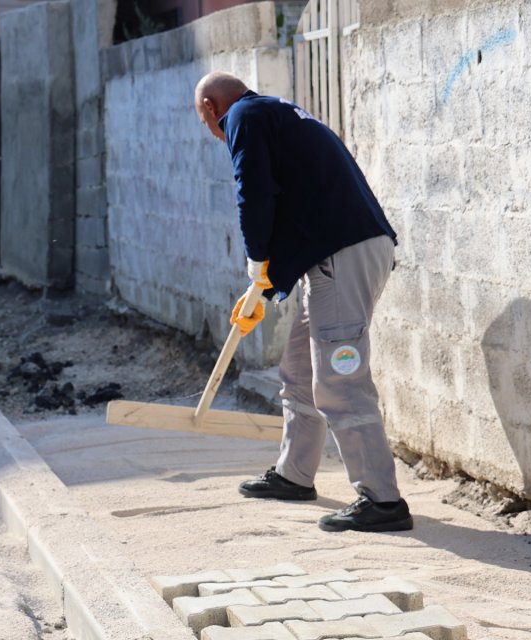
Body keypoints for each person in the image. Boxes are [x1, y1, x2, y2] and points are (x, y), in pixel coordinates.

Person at [193, 71, 411, 532]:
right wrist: (263, 290)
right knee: (300, 369)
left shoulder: (244, 117)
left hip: (341, 257)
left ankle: (382, 501)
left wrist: (256, 265)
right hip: (346, 252)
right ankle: (294, 475)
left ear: (212, 108)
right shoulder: (277, 112)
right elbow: (301, 206)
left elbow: (253, 193)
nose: (212, 133)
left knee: (340, 378)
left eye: (205, 121)